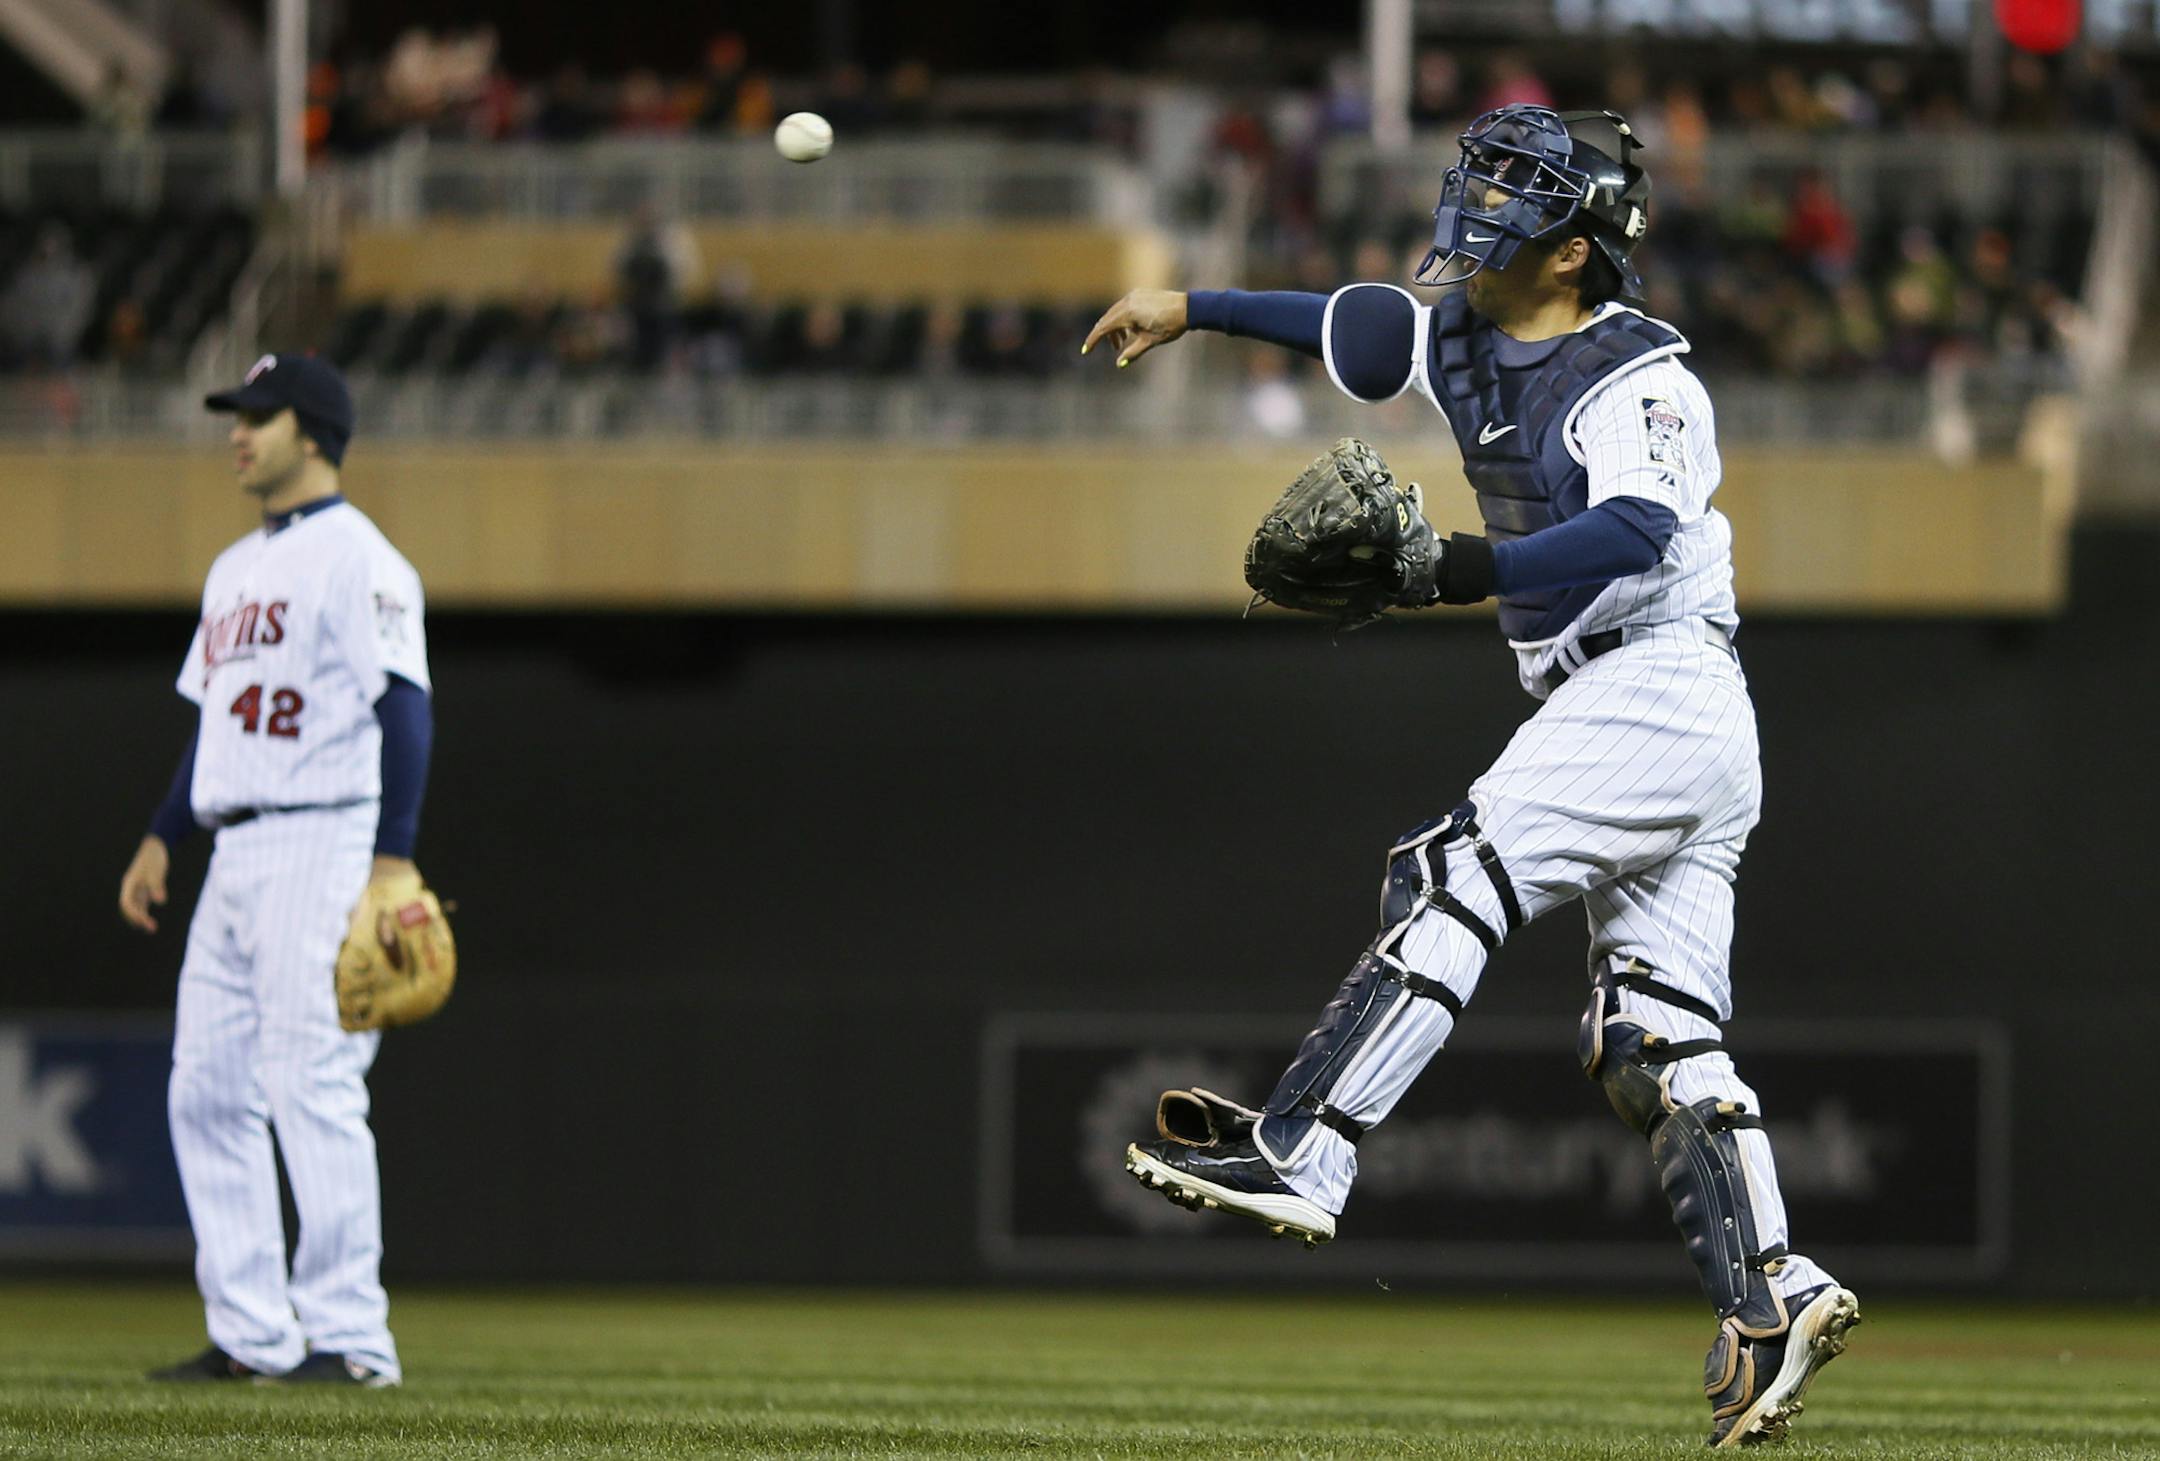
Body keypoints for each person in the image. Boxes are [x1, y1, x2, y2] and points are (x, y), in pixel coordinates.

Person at [1083, 105, 1860, 1449]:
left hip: (1659, 675)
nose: (1482, 198)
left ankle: (1302, 1147)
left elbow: (1635, 527)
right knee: (1652, 1039)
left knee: (1453, 870)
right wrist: (1194, 305)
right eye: (1484, 173)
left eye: (1517, 186)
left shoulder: (1643, 373)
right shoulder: (1457, 336)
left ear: (1575, 247)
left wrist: (1455, 567)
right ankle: (1773, 1289)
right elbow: (1348, 319)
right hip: (1638, 707)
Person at [117, 353, 432, 1387]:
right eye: (237, 414)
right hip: (235, 845)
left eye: (259, 413)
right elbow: (212, 717)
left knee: (312, 1081)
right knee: (204, 1090)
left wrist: (393, 861)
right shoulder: (231, 568)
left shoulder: (361, 558)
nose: (237, 431)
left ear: (315, 429)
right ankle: (255, 1333)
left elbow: (405, 709)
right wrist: (165, 831)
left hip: (324, 834)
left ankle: (348, 1337)